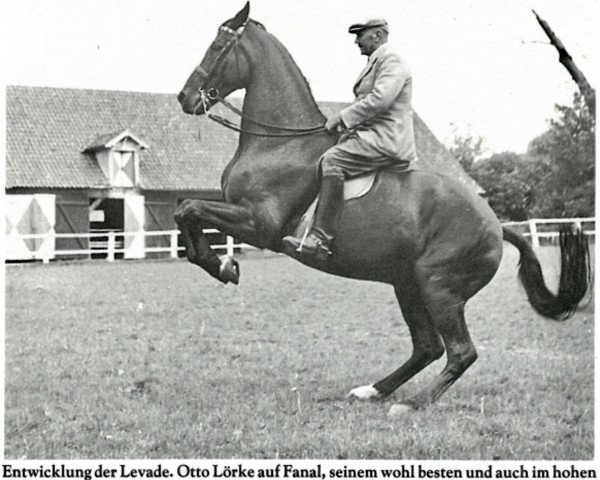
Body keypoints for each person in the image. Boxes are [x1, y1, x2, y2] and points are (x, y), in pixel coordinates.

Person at [283, 18, 418, 260]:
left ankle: (320, 239)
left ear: (377, 35)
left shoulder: (391, 60)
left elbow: (380, 99)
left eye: (361, 35)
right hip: (371, 135)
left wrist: (343, 117)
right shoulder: (376, 61)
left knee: (332, 161)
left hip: (386, 139)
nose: (357, 41)